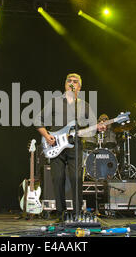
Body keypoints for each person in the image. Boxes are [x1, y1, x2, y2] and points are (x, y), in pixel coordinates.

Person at [34, 73, 105, 222]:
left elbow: (92, 128)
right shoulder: (54, 102)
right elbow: (37, 120)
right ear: (65, 84)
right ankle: (61, 214)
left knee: (76, 179)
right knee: (58, 178)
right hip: (55, 145)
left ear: (79, 87)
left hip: (75, 146)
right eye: (69, 81)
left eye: (75, 82)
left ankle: (78, 213)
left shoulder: (84, 105)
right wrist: (47, 137)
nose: (71, 83)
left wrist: (98, 128)